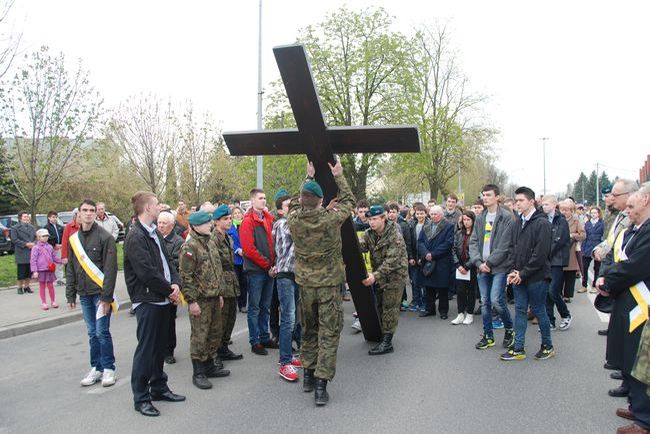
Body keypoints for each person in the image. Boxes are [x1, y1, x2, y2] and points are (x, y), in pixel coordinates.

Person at [287, 159, 354, 406]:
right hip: (327, 286)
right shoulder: (330, 219)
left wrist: (308, 177)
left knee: (309, 329)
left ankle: (307, 376)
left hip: (305, 285)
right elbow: (348, 202)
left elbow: (295, 203)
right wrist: (339, 176)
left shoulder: (293, 219)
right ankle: (320, 386)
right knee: (329, 333)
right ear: (321, 201)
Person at [124, 191, 185, 417]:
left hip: (163, 297)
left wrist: (175, 283)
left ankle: (159, 386)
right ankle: (141, 397)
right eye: (156, 204)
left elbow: (167, 261)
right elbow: (146, 273)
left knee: (160, 347)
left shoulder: (153, 232)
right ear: (147, 208)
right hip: (149, 299)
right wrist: (170, 290)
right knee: (146, 350)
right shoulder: (135, 236)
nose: (160, 207)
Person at [595, 184, 650, 429]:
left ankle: (644, 419)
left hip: (641, 302)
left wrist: (610, 280)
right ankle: (636, 407)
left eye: (631, 204)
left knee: (641, 359)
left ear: (646, 200)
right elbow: (618, 256)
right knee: (629, 354)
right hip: (627, 298)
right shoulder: (636, 229)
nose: (628, 210)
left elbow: (635, 265)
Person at [65, 200, 118, 387]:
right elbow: (70, 268)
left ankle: (109, 368)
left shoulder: (105, 237)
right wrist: (70, 294)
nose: (88, 214)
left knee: (101, 332)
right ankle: (96, 368)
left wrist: (106, 297)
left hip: (100, 294)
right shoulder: (74, 239)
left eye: (91, 210)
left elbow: (111, 270)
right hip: (84, 294)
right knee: (91, 333)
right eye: (84, 210)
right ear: (79, 214)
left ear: (96, 213)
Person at [179, 210, 231, 390]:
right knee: (200, 336)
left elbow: (217, 271)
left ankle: (209, 365)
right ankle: (199, 372)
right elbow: (186, 277)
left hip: (215, 296)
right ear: (195, 226)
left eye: (209, 222)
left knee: (215, 332)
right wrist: (191, 301)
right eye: (205, 223)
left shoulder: (210, 243)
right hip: (200, 299)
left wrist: (220, 293)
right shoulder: (190, 247)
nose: (210, 225)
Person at [501, 186, 554, 361]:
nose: (518, 204)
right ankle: (518, 348)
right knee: (520, 310)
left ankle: (547, 346)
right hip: (519, 276)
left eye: (521, 200)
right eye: (516, 201)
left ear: (532, 201)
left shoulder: (542, 223)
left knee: (539, 310)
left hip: (536, 277)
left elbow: (540, 255)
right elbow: (511, 249)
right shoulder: (517, 222)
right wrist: (512, 271)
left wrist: (522, 273)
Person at [468, 184, 515, 350]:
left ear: (497, 197)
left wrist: (489, 263)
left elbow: (505, 245)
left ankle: (510, 330)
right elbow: (473, 241)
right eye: (483, 195)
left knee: (496, 300)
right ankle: (488, 336)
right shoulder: (480, 217)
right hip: (482, 267)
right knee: (485, 302)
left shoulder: (507, 217)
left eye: (488, 195)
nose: (485, 198)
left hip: (499, 267)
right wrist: (479, 263)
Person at [359, 205, 408, 355]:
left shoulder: (394, 234)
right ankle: (383, 334)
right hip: (380, 276)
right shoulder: (369, 234)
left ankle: (387, 342)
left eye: (374, 219)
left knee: (390, 308)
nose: (371, 222)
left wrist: (374, 276)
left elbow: (392, 261)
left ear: (383, 218)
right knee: (379, 305)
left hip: (395, 275)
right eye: (369, 220)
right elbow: (361, 247)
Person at [239, 187, 277, 355]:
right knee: (254, 307)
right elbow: (249, 250)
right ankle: (255, 341)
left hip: (269, 270)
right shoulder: (248, 221)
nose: (264, 200)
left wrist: (273, 265)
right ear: (252, 201)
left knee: (265, 306)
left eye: (265, 198)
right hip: (257, 271)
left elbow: (272, 243)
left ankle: (264, 336)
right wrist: (268, 265)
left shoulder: (268, 218)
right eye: (260, 198)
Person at [272, 195, 303, 381]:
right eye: (289, 206)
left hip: (296, 275)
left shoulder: (293, 222)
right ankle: (284, 362)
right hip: (285, 276)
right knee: (288, 318)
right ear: (281, 211)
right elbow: (298, 237)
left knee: (295, 317)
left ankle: (289, 356)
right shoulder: (282, 224)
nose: (293, 209)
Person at [212, 205, 244, 362]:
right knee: (220, 320)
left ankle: (224, 348)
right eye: (225, 219)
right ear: (216, 221)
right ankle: (216, 353)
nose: (229, 221)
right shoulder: (213, 239)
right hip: (221, 284)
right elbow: (214, 266)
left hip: (231, 282)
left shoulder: (228, 238)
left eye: (230, 218)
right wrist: (218, 291)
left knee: (231, 318)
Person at [156, 211, 184, 365]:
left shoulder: (178, 242)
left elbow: (176, 264)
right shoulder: (154, 239)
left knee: (169, 321)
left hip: (170, 285)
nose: (160, 226)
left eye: (164, 223)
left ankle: (169, 351)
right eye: (159, 222)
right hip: (157, 286)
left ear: (172, 226)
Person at [541, 195, 572, 331]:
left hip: (557, 260)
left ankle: (566, 315)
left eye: (547, 204)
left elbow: (559, 241)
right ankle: (550, 320)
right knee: (546, 291)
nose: (544, 207)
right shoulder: (542, 219)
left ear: (554, 205)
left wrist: (545, 253)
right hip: (545, 261)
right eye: (543, 204)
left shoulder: (561, 221)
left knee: (553, 291)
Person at [417, 205, 454, 320]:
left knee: (442, 287)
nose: (432, 216)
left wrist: (432, 254)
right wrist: (426, 254)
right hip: (427, 260)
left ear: (441, 214)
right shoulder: (426, 225)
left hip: (441, 261)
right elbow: (420, 242)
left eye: (435, 214)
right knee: (429, 287)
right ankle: (430, 309)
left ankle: (443, 311)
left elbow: (448, 244)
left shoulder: (448, 226)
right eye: (431, 214)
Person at [452, 210, 477, 325]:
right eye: (464, 220)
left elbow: (477, 252)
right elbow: (453, 249)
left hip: (471, 266)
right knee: (460, 290)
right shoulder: (458, 233)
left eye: (468, 220)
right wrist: (458, 264)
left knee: (471, 291)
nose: (466, 222)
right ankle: (460, 314)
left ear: (473, 221)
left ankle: (470, 314)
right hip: (459, 265)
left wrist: (467, 266)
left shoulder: (476, 234)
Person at [386, 201, 413, 310]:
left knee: (400, 279)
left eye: (394, 212)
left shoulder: (403, 225)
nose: (391, 214)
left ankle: (403, 299)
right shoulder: (385, 225)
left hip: (400, 256)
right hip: (389, 257)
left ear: (398, 212)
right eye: (390, 212)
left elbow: (407, 242)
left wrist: (408, 257)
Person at [559, 200, 585, 302]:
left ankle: (567, 295)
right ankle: (558, 293)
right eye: (562, 210)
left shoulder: (576, 221)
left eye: (566, 210)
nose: (564, 212)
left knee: (570, 275)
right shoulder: (558, 220)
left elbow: (583, 235)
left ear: (572, 211)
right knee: (559, 274)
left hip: (571, 251)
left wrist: (572, 235)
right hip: (559, 251)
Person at [31, 228, 62, 310]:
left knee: (51, 286)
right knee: (42, 286)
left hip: (49, 269)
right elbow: (33, 260)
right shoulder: (35, 248)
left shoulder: (50, 246)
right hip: (41, 270)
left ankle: (53, 301)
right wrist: (34, 271)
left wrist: (61, 261)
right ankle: (44, 302)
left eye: (47, 236)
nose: (45, 237)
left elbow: (54, 257)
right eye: (43, 236)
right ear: (38, 237)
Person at [408, 203, 428, 311]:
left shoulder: (429, 225)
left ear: (425, 214)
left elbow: (427, 244)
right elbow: (410, 243)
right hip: (414, 258)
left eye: (422, 213)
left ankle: (425, 302)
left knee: (425, 283)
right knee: (415, 281)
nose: (419, 215)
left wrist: (422, 257)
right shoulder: (412, 225)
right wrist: (411, 257)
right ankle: (417, 301)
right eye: (418, 213)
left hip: (424, 258)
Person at [580, 206, 605, 293]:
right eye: (592, 213)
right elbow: (584, 236)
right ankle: (584, 285)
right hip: (587, 247)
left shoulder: (602, 224)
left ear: (598, 214)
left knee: (597, 268)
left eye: (595, 213)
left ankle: (594, 286)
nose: (593, 214)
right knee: (584, 267)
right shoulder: (587, 224)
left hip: (597, 247)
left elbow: (603, 236)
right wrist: (583, 248)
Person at [11, 211, 36, 294]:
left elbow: (36, 237)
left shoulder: (31, 227)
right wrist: (25, 244)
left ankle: (27, 286)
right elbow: (14, 239)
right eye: (25, 217)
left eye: (27, 216)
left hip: (31, 252)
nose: (26, 218)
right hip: (21, 252)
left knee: (29, 271)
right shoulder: (15, 228)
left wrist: (33, 243)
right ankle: (19, 287)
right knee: (21, 272)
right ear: (20, 218)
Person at [229, 206, 247, 313]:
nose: (237, 215)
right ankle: (236, 303)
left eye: (238, 213)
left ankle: (243, 304)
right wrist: (237, 250)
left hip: (245, 259)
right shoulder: (230, 228)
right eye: (235, 213)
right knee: (236, 282)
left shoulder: (245, 225)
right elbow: (230, 241)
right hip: (235, 259)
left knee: (244, 282)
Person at [44, 211, 65, 286]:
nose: (55, 219)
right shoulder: (46, 227)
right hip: (51, 248)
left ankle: (60, 279)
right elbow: (48, 238)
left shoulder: (60, 226)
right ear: (49, 218)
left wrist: (61, 244)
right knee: (50, 264)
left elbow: (63, 236)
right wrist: (54, 245)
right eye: (53, 217)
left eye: (56, 217)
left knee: (59, 263)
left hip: (59, 247)